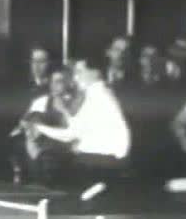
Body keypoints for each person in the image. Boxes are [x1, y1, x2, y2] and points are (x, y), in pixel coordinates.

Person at [26, 56, 131, 188]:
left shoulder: (97, 95)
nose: (76, 77)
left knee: (60, 171)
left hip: (101, 162)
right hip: (101, 161)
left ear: (95, 72)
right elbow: (76, 128)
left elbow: (70, 135)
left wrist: (40, 128)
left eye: (80, 71)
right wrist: (64, 111)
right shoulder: (98, 92)